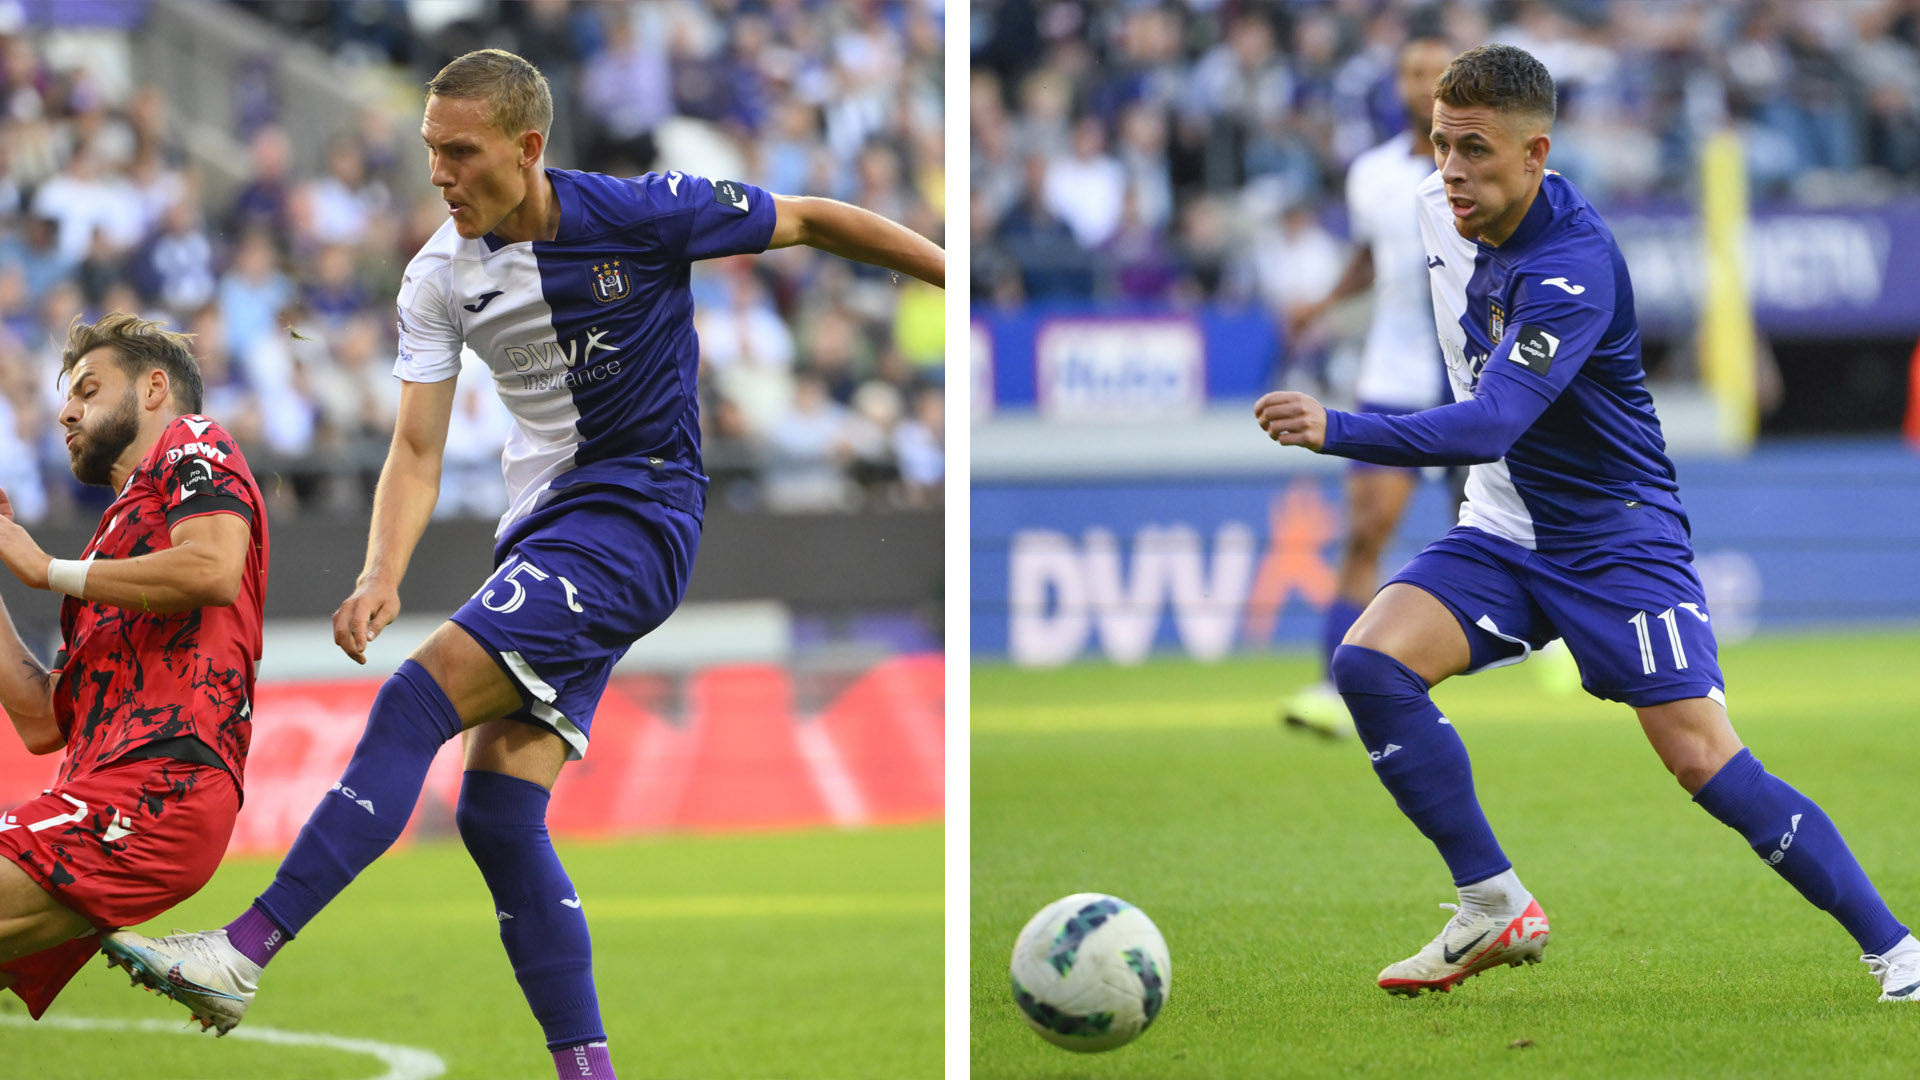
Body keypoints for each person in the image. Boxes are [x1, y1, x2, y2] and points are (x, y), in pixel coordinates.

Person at [103, 48, 945, 1078]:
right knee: (500, 813)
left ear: (527, 148)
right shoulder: (437, 277)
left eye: (460, 152)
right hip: (547, 531)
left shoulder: (645, 215)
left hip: (638, 515)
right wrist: (380, 572)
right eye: (429, 151)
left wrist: (957, 274)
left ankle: (242, 951)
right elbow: (415, 450)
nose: (439, 174)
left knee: (414, 705)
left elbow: (812, 218)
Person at [1253, 44, 1918, 1002]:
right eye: (1440, 147)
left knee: (1701, 760)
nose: (1450, 171)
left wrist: (1339, 428)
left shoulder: (1573, 264)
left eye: (1474, 150)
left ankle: (1898, 951)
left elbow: (1490, 420)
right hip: (1506, 524)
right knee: (1370, 664)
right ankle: (1492, 903)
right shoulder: (1430, 212)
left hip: (1615, 536)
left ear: (1536, 154)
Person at [0, 313, 268, 1022]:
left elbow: (213, 567)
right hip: (106, 783)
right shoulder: (119, 535)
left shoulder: (194, 439)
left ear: (154, 389)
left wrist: (47, 569)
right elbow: (39, 719)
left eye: (88, 389)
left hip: (160, 783)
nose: (65, 410)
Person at [1278, 33, 1454, 738]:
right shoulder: (1372, 174)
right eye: (1411, 73)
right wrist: (1324, 305)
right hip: (1396, 373)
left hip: (1476, 378)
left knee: (1509, 529)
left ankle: (1563, 648)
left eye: (1434, 73)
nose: (1420, 85)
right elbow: (1371, 256)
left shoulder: (1485, 167)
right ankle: (1332, 684)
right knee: (1366, 529)